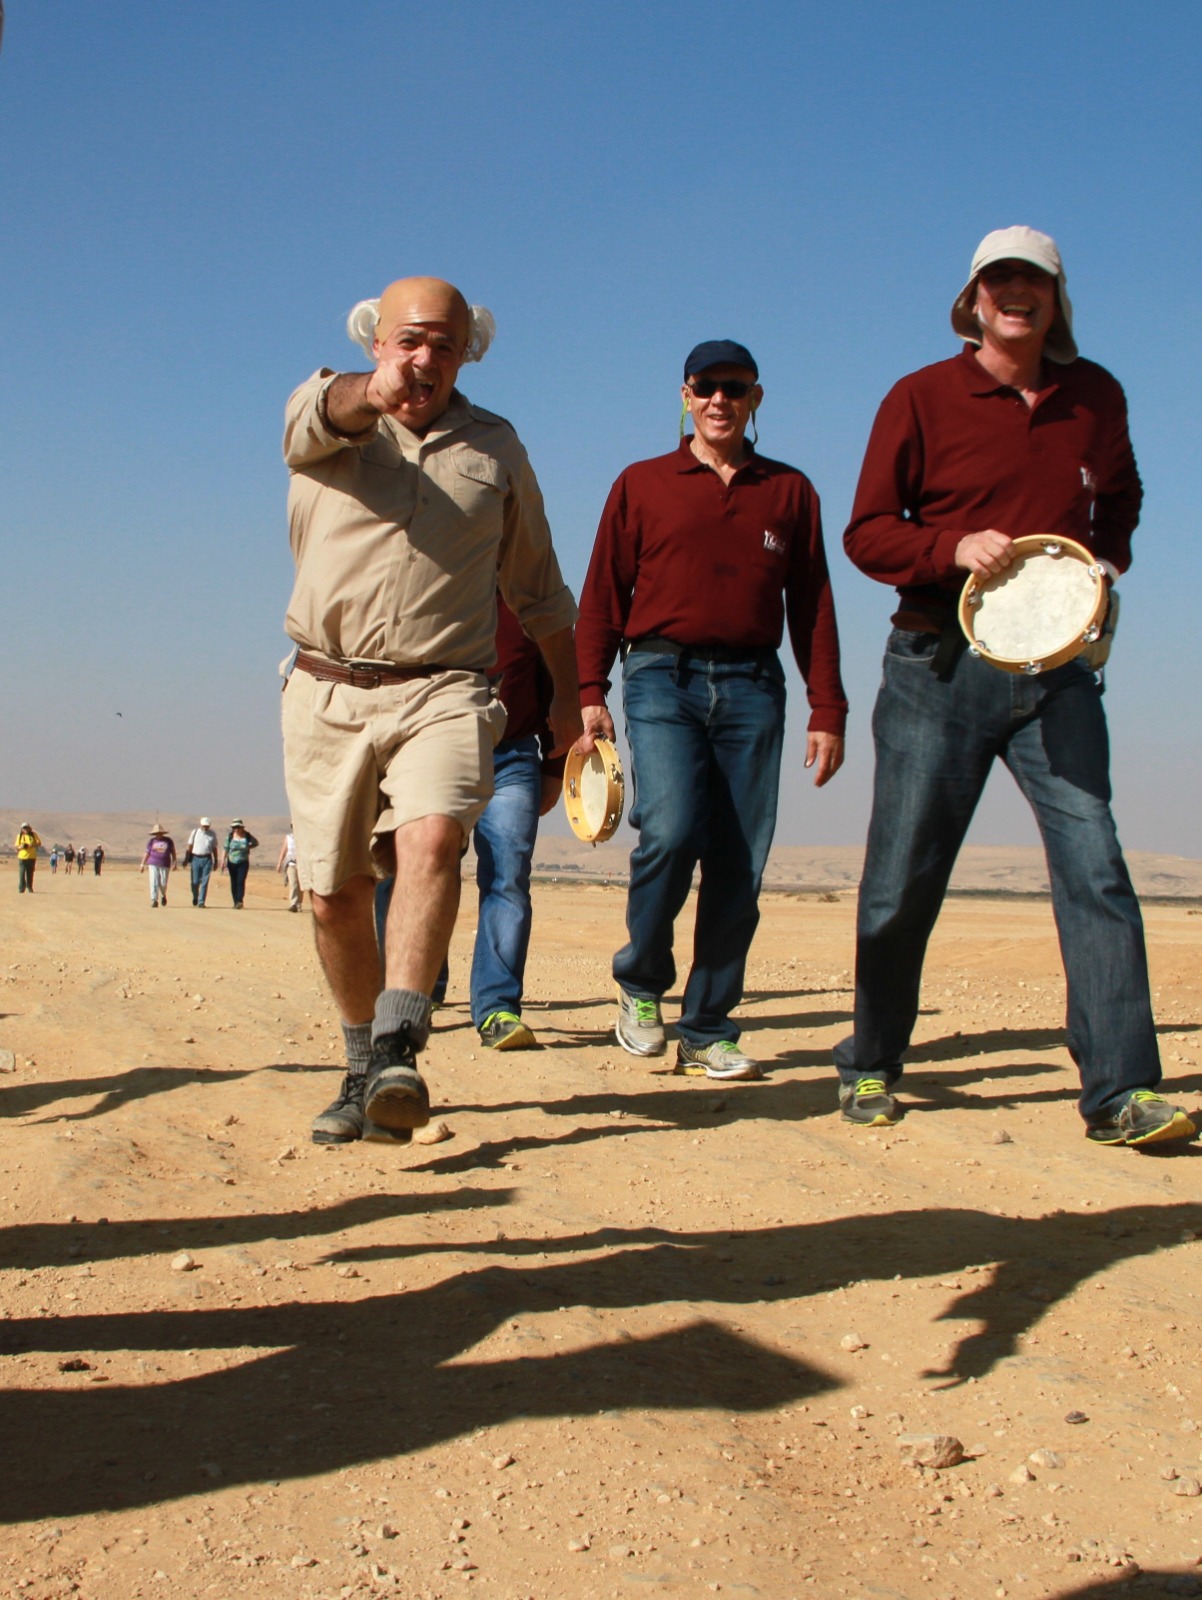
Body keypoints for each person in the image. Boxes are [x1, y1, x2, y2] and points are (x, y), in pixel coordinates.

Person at [835, 225, 1193, 1148]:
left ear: (1055, 297)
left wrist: (1098, 565)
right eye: (999, 280)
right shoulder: (919, 396)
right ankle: (870, 1064)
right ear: (974, 298)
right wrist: (949, 548)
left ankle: (1121, 1092)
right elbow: (868, 531)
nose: (1015, 295)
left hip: (1057, 673)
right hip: (935, 667)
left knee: (1096, 867)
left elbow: (1124, 496)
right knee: (902, 879)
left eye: (1033, 281)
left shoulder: (1095, 395)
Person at [282, 274, 579, 1147]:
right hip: (325, 687)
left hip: (446, 687)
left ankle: (402, 1047)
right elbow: (321, 415)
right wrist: (364, 396)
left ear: (464, 354)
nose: (424, 358)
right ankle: (360, 1067)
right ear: (379, 342)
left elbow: (541, 591)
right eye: (408, 340)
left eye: (443, 344)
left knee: (435, 836)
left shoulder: (495, 446)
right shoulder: (324, 414)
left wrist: (571, 705)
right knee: (334, 896)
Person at [575, 340, 847, 1080]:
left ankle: (709, 1026)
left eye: (736, 388)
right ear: (685, 395)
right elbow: (603, 592)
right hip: (662, 674)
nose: (720, 400)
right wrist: (590, 692)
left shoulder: (789, 491)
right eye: (706, 387)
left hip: (755, 684)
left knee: (739, 857)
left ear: (756, 398)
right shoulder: (641, 483)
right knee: (669, 828)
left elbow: (813, 604)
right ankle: (639, 987)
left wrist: (830, 705)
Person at [375, 596, 566, 1049]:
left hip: (513, 755)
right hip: (433, 751)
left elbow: (555, 675)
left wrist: (554, 767)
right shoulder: (433, 584)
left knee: (508, 876)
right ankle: (413, 989)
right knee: (409, 870)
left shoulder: (528, 593)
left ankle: (497, 1006)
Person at [221, 820, 258, 908]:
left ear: (242, 827)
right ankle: (235, 901)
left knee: (241, 880)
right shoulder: (230, 837)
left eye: (237, 827)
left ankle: (240, 900)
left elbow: (256, 843)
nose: (236, 829)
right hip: (232, 861)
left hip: (243, 861)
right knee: (234, 882)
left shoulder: (247, 836)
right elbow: (225, 849)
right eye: (234, 827)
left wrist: (248, 847)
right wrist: (222, 861)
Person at [186, 816, 220, 907]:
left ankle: (201, 902)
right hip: (195, 858)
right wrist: (187, 858)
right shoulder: (195, 832)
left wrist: (216, 860)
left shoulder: (212, 834)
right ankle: (195, 896)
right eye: (204, 825)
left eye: (207, 826)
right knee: (195, 881)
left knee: (205, 881)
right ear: (201, 825)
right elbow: (190, 845)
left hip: (207, 859)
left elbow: (214, 848)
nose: (205, 827)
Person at [139, 827, 176, 907]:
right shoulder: (151, 841)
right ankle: (154, 899)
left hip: (165, 864)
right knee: (154, 881)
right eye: (156, 833)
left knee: (163, 883)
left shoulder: (168, 841)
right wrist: (142, 864)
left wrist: (174, 862)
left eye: (160, 833)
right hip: (153, 863)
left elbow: (173, 852)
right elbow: (147, 853)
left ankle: (163, 894)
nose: (158, 834)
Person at [276, 825, 302, 912]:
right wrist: (279, 863)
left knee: (300, 885)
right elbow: (284, 850)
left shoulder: (304, 838)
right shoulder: (288, 838)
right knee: (293, 883)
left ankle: (299, 904)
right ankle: (293, 903)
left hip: (302, 864)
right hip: (291, 863)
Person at [14, 824, 41, 893]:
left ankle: (29, 887)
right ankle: (21, 888)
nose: (25, 829)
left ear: (29, 828)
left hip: (31, 857)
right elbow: (16, 846)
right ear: (22, 829)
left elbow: (39, 843)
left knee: (30, 873)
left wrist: (32, 845)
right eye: (24, 828)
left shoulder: (33, 835)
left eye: (26, 828)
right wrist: (22, 847)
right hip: (22, 857)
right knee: (22, 872)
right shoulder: (19, 836)